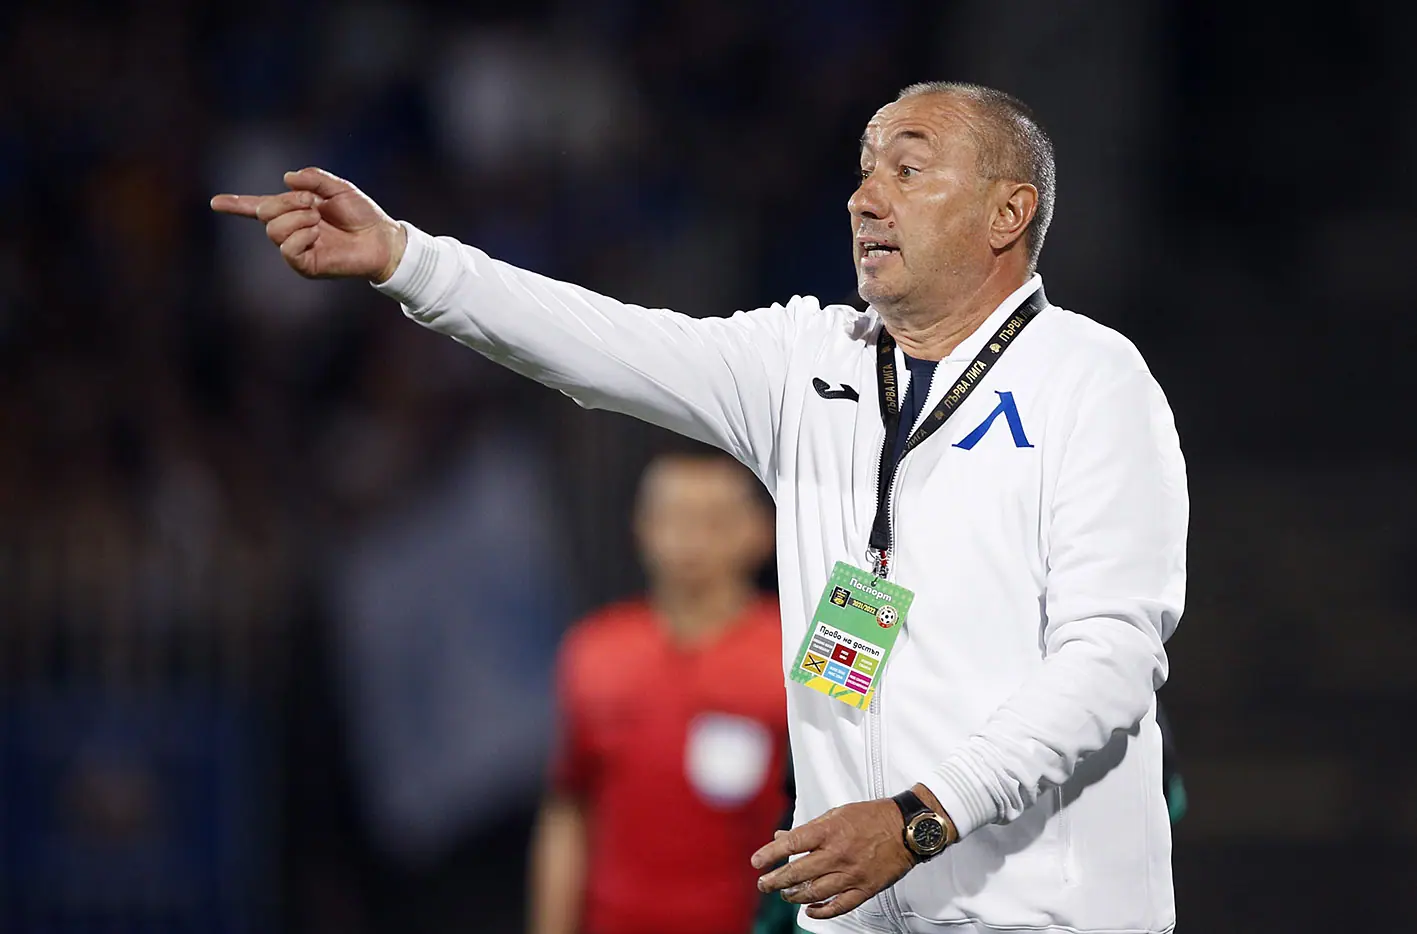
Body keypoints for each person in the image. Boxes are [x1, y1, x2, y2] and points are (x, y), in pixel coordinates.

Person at [213, 80, 1188, 934]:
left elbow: (1110, 656)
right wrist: (406, 259)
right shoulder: (806, 363)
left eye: (907, 169)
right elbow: (601, 344)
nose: (865, 198)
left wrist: (920, 818)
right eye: (862, 172)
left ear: (1007, 213)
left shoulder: (1088, 383)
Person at [527, 448, 786, 934]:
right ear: (641, 527)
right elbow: (568, 808)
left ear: (760, 532)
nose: (690, 540)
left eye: (714, 521)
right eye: (674, 518)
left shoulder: (794, 656)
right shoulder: (594, 651)